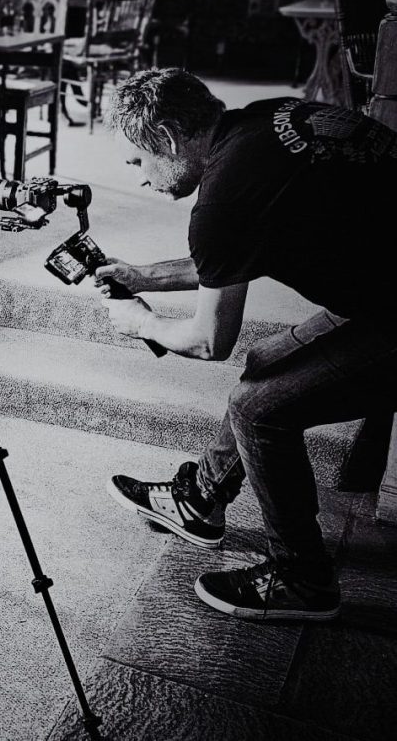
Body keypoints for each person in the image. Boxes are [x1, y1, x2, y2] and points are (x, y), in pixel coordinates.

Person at [97, 67, 397, 622]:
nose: (139, 179)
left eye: (138, 162)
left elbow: (210, 341)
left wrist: (142, 323)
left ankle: (303, 579)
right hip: (379, 292)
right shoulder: (262, 122)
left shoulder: (223, 201)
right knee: (267, 362)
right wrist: (143, 276)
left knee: (259, 408)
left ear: (168, 139)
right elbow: (234, 251)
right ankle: (200, 500)